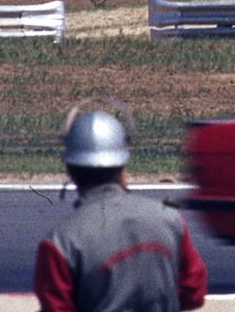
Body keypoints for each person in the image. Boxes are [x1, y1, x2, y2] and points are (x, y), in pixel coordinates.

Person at [34, 108, 207, 312]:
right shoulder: (170, 218)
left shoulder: (60, 242)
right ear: (123, 165)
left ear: (70, 171)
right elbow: (193, 292)